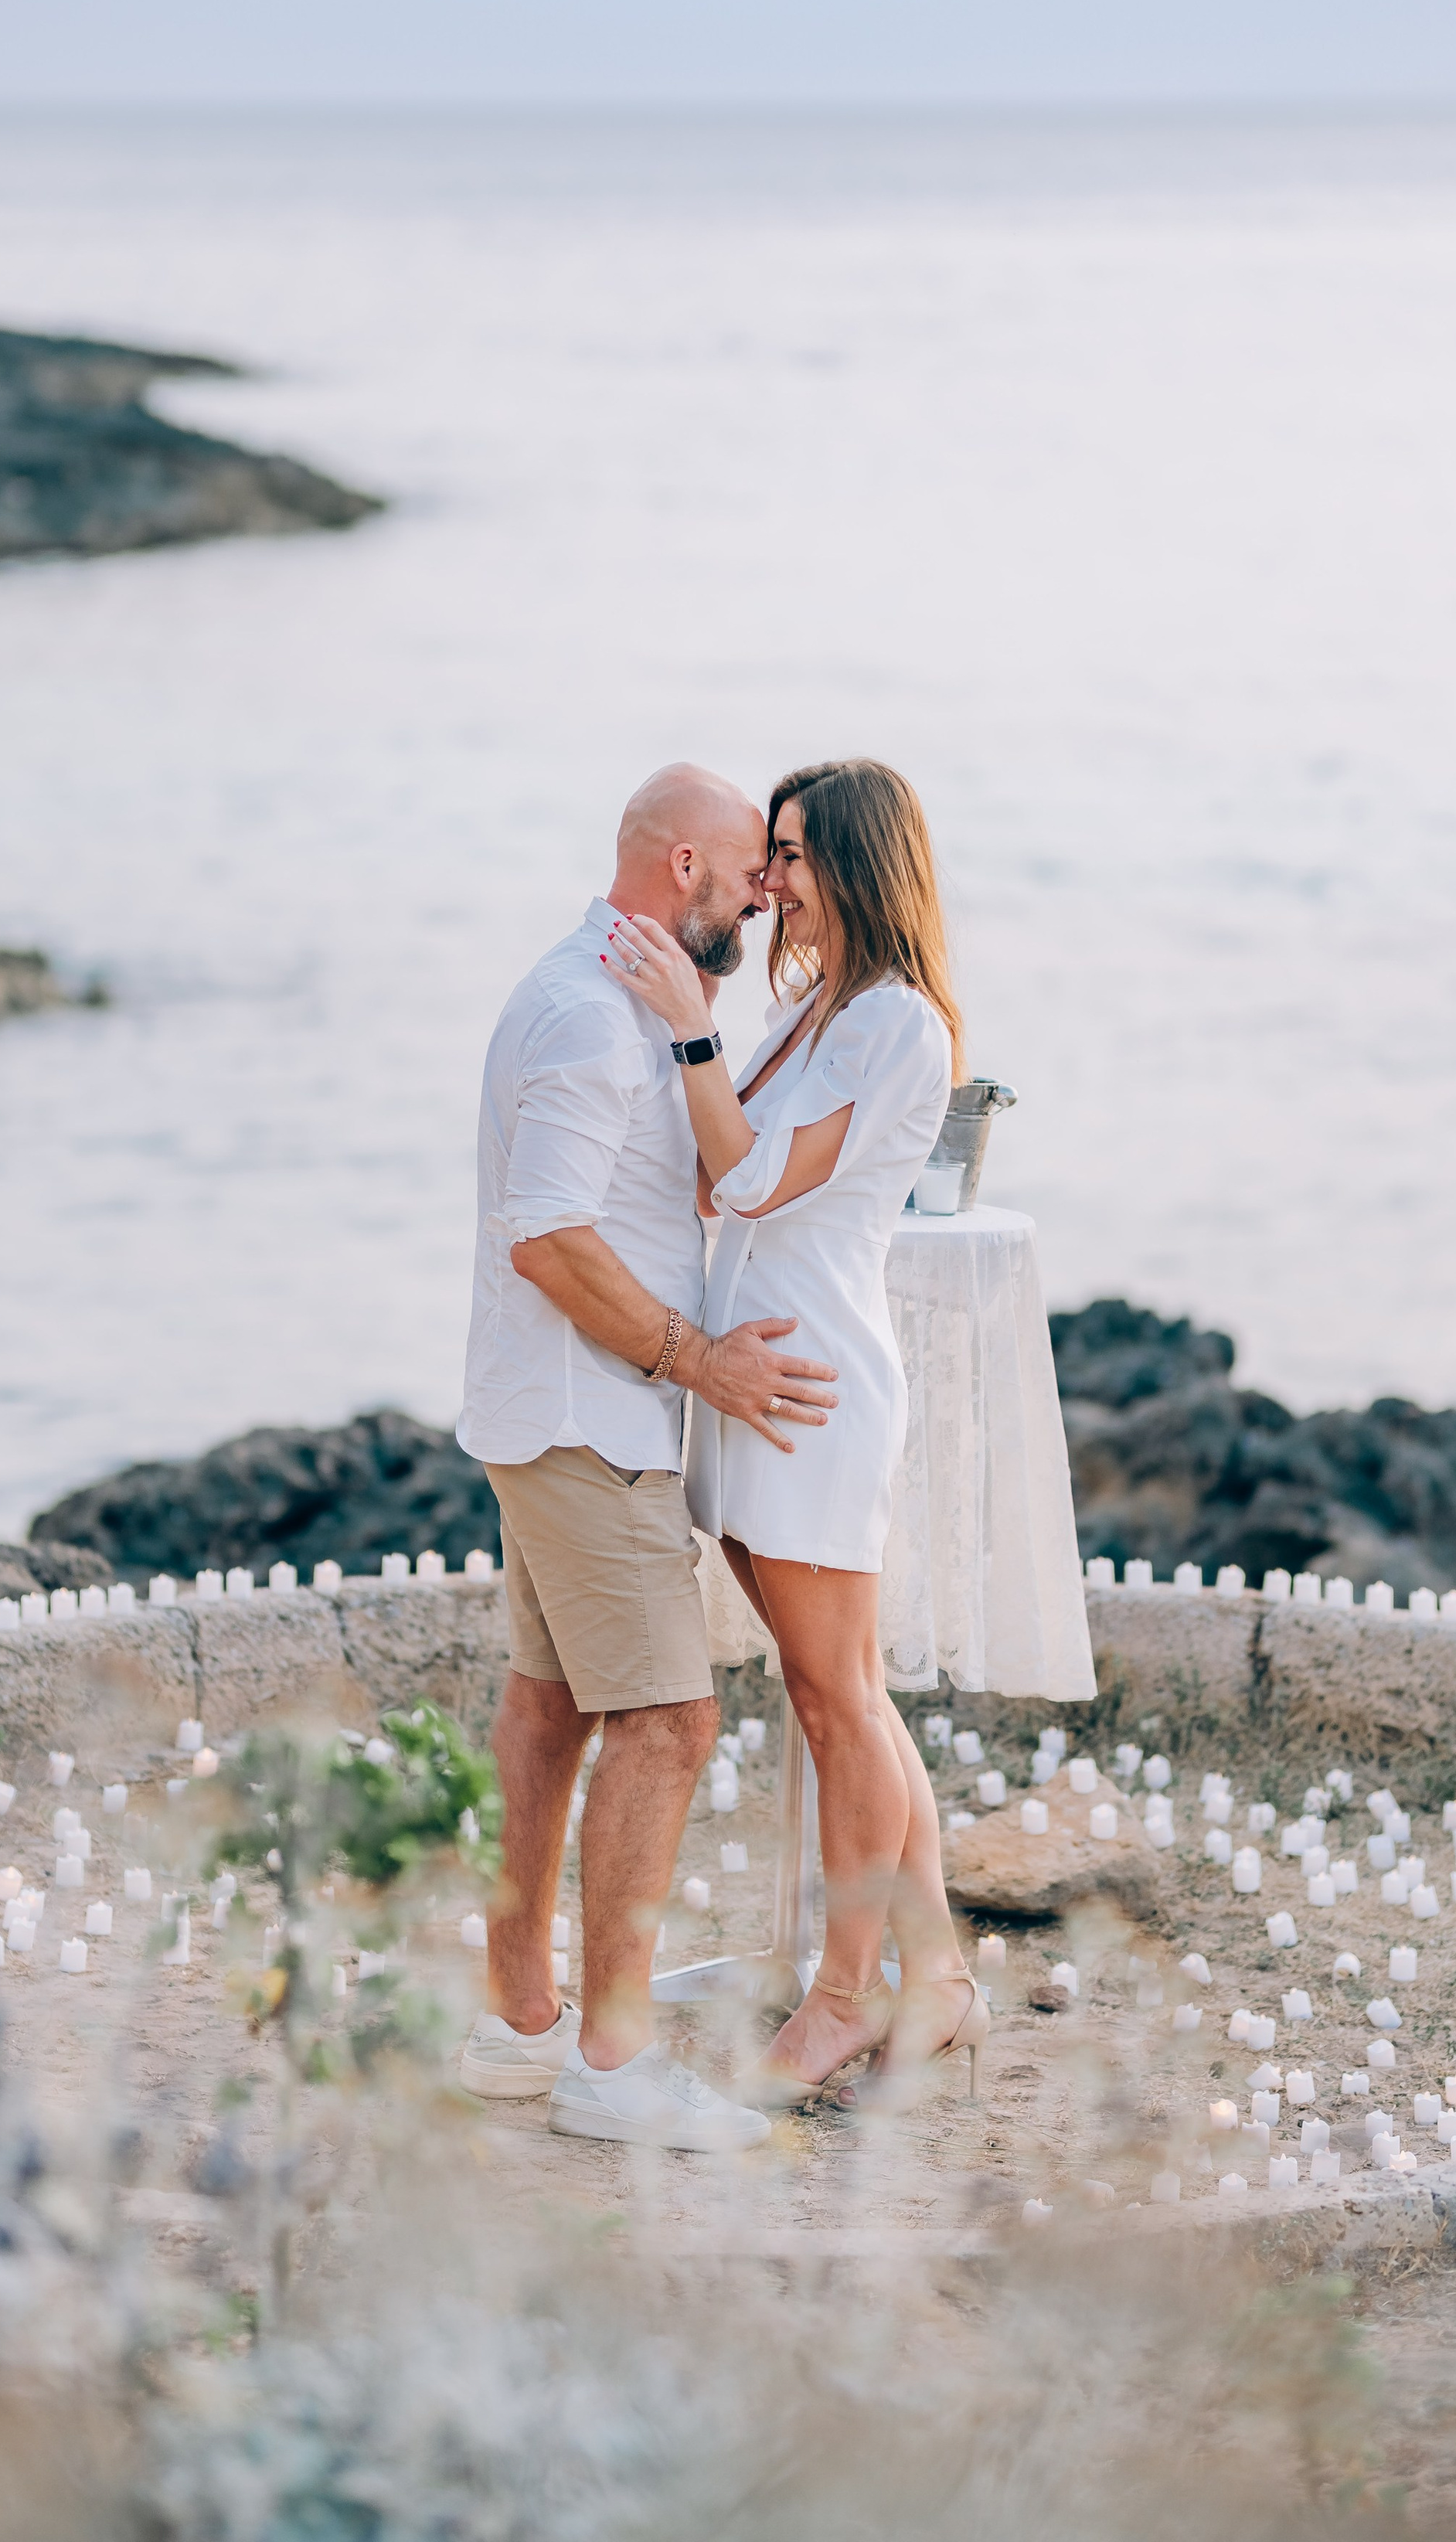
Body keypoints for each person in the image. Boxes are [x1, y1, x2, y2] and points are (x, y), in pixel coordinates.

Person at [454, 763, 841, 2151]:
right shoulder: (582, 1016)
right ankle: (611, 2069)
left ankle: (517, 2028)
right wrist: (702, 1362)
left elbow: (631, 1197)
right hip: (585, 1418)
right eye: (750, 871)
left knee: (549, 1706)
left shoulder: (615, 1002)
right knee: (669, 1726)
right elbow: (547, 1237)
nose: (763, 894)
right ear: (685, 867)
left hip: (556, 1411)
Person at [604, 757, 984, 2108]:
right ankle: (936, 1980)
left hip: (814, 1394)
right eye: (768, 852)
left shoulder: (894, 1025)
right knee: (842, 1697)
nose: (771, 881)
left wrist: (684, 1024)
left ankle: (844, 2001)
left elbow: (753, 1177)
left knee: (839, 1702)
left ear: (865, 865)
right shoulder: (812, 1010)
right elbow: (721, 1173)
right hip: (759, 1390)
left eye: (796, 854)